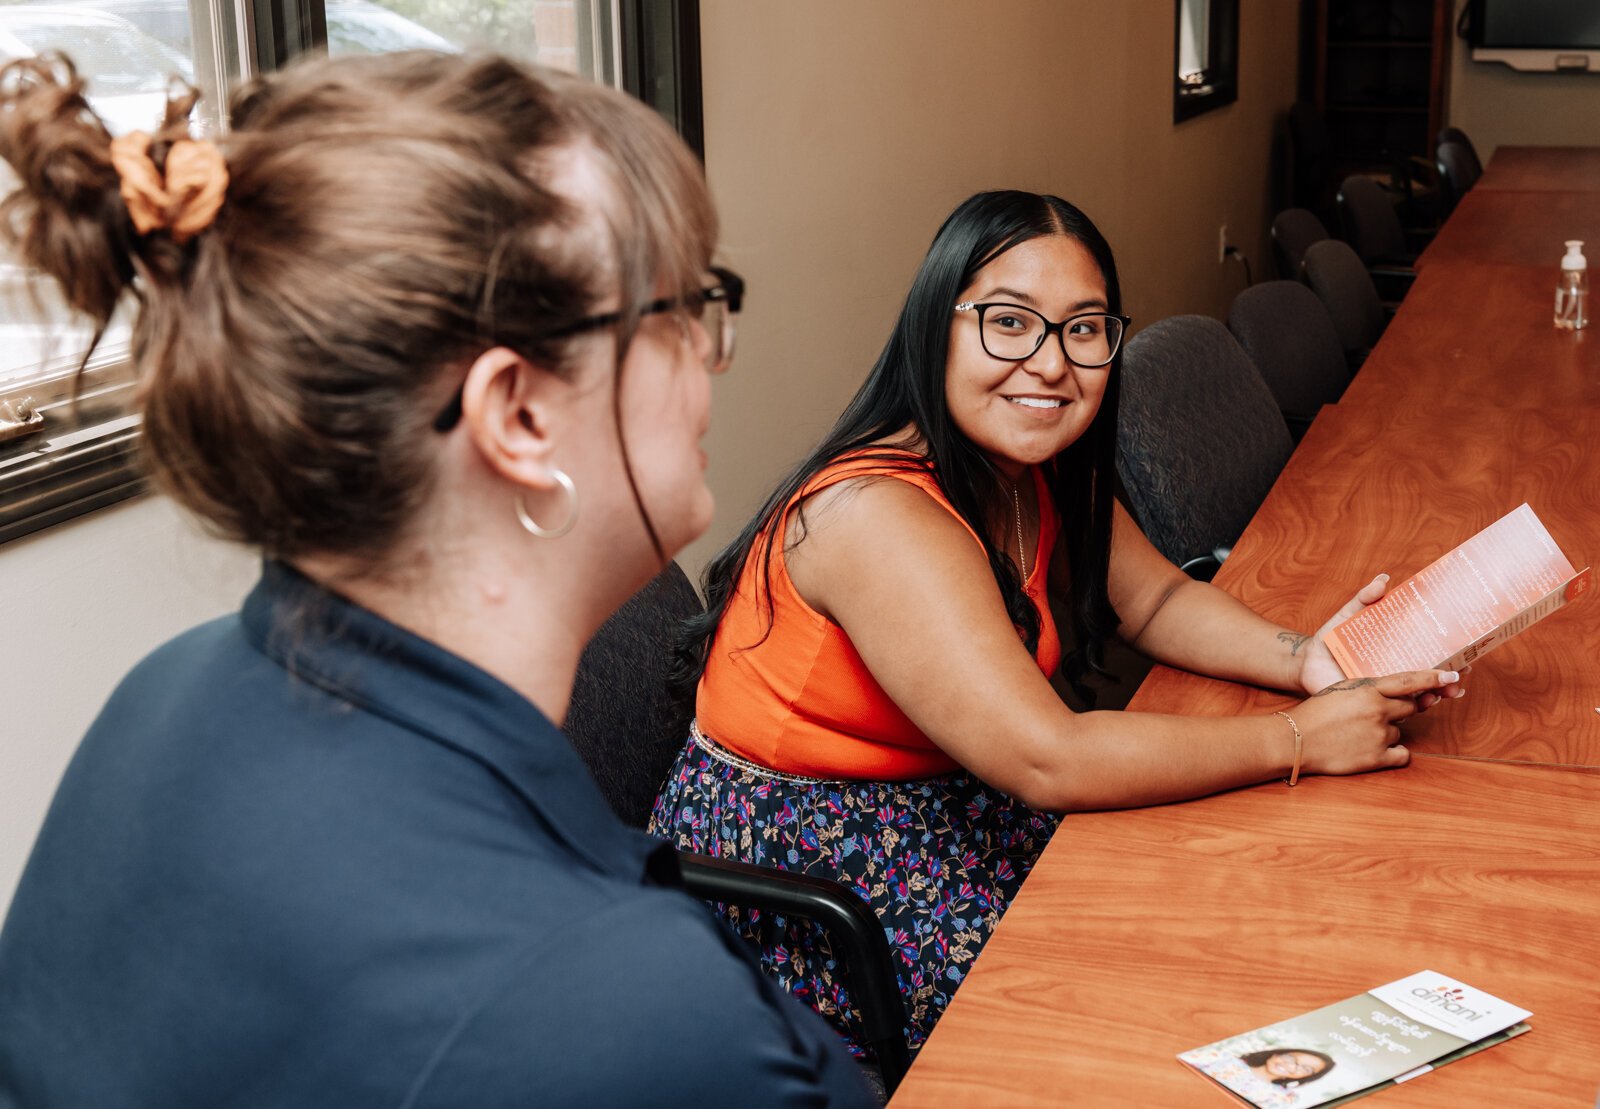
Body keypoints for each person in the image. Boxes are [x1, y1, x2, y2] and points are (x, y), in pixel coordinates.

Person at [0, 51, 873, 1106]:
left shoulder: (163, 690)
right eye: (680, 310)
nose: (707, 357)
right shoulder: (626, 1009)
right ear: (517, 415)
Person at [650, 190, 1464, 1056]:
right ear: (938, 326)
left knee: (1250, 908)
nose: (1049, 364)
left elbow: (1153, 600)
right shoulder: (877, 514)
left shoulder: (1015, 465)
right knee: (1143, 1004)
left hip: (954, 799)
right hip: (806, 871)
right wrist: (1298, 738)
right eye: (1009, 322)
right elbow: (1051, 757)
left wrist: (1307, 660)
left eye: (1083, 328)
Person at [1240, 1048, 1337, 1089]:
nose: (1290, 1065)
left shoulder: (1281, 1100)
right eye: (1291, 1057)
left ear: (1306, 1077)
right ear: (1277, 1054)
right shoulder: (1231, 1060)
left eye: (1306, 1069)